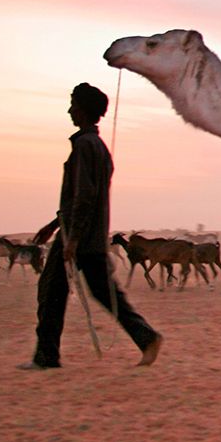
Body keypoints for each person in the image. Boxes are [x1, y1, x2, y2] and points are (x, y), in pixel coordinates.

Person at [18, 83, 162, 370]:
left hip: (78, 236)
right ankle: (145, 338)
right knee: (102, 292)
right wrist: (52, 225)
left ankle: (46, 356)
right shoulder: (96, 147)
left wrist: (71, 240)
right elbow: (82, 196)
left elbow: (84, 196)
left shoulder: (85, 146)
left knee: (51, 291)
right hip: (86, 234)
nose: (70, 109)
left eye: (73, 104)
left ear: (83, 110)